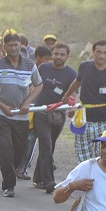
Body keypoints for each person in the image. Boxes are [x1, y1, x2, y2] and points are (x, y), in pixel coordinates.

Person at [0, 30, 43, 198]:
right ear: (4, 47)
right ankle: (9, 185)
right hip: (2, 115)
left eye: (16, 45)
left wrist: (27, 102)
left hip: (22, 116)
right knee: (6, 150)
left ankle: (9, 174)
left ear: (20, 46)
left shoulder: (30, 65)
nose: (14, 48)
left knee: (19, 151)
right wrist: (1, 105)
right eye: (10, 45)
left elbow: (38, 85)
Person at [61, 40, 106, 162]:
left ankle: (99, 179)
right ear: (93, 52)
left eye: (105, 53)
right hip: (84, 120)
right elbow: (77, 82)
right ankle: (86, 178)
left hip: (104, 121)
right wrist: (66, 96)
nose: (101, 56)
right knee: (83, 155)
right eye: (98, 52)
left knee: (103, 155)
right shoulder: (84, 67)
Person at [33, 42, 77, 192]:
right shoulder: (43, 68)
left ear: (67, 56)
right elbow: (34, 86)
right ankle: (49, 182)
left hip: (58, 115)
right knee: (45, 145)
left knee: (49, 146)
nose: (58, 57)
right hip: (40, 111)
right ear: (52, 54)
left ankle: (38, 178)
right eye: (56, 54)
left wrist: (72, 109)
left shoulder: (72, 74)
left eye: (62, 54)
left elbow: (72, 95)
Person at [17, 45, 53, 181]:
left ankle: (22, 168)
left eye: (50, 58)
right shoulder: (30, 70)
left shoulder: (48, 72)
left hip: (37, 111)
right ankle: (19, 167)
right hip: (27, 110)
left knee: (30, 141)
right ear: (37, 57)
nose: (48, 61)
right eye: (46, 58)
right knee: (25, 141)